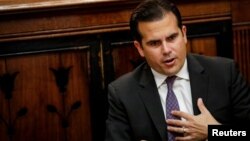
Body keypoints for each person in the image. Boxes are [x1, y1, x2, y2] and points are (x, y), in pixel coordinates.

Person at [105, 0, 250, 141]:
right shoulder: (122, 93)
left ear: (184, 34)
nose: (166, 50)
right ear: (140, 48)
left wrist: (213, 132)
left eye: (172, 38)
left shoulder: (224, 73)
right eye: (154, 43)